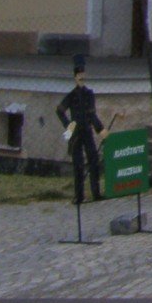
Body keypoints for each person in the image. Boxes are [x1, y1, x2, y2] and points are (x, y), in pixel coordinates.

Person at [56, 56, 105, 204]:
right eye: (78, 75)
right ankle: (79, 195)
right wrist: (69, 126)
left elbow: (92, 114)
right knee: (78, 164)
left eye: (82, 75)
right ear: (75, 77)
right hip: (75, 132)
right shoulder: (71, 95)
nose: (80, 78)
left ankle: (95, 193)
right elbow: (59, 110)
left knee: (94, 160)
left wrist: (101, 131)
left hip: (87, 130)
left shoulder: (89, 94)